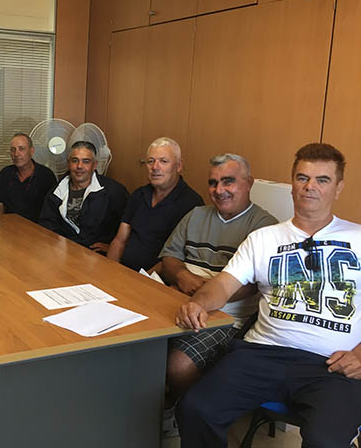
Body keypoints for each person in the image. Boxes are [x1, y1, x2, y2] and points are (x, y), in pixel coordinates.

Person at [175, 143, 361, 447]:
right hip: (261, 353)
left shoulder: (358, 238)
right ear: (293, 184)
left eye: (322, 180)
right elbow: (222, 285)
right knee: (196, 409)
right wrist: (199, 302)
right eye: (302, 178)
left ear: (339, 187)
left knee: (325, 440)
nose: (310, 187)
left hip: (331, 365)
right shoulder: (263, 238)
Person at [158, 153, 277, 436]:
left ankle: (184, 412)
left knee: (178, 365)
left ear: (249, 183)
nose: (219, 189)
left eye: (228, 181)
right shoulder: (196, 215)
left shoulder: (265, 227)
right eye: (213, 182)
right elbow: (169, 258)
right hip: (179, 300)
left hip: (227, 317)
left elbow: (255, 285)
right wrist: (183, 276)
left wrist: (204, 292)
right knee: (133, 345)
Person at [107, 137, 203, 271]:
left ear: (179, 166)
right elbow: (120, 240)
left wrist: (142, 279)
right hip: (123, 271)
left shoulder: (192, 204)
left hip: (156, 278)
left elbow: (175, 258)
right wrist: (110, 271)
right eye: (150, 161)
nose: (155, 167)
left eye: (163, 161)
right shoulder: (139, 194)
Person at [39, 141, 129, 253]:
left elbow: (127, 226)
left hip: (97, 255)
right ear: (68, 164)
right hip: (61, 251)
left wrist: (112, 246)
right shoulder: (55, 193)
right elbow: (46, 226)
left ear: (94, 165)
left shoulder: (114, 191)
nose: (79, 166)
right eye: (75, 160)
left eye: (86, 161)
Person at [0, 133, 57, 222]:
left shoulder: (46, 175)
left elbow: (52, 209)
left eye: (21, 149)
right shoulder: (5, 173)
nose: (16, 154)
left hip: (37, 226)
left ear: (31, 151)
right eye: (13, 150)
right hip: (9, 224)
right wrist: (1, 224)